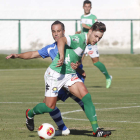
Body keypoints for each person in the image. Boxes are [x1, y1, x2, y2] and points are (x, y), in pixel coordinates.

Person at [6, 21, 112, 137]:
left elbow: (74, 55)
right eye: (96, 36)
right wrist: (18, 55)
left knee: (86, 97)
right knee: (48, 106)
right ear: (90, 31)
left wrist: (77, 66)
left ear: (63, 31)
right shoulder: (78, 38)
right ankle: (30, 113)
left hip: (69, 75)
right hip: (55, 75)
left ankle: (96, 130)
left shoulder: (85, 42)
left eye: (99, 38)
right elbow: (61, 41)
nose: (97, 40)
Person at [76, 0, 112, 88]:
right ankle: (77, 81)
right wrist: (80, 31)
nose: (87, 8)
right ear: (83, 7)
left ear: (91, 8)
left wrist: (86, 26)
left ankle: (108, 76)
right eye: (86, 6)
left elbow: (97, 29)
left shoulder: (93, 17)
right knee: (79, 61)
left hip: (91, 42)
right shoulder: (81, 16)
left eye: (89, 6)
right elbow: (84, 29)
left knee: (96, 62)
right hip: (83, 41)